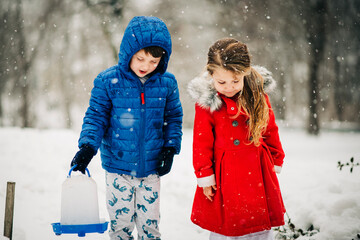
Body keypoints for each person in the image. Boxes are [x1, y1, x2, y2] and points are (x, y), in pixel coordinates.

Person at [70, 16, 183, 240]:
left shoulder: (167, 83)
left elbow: (173, 119)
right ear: (128, 52)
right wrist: (87, 148)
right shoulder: (108, 81)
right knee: (120, 226)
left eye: (154, 61)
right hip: (117, 169)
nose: (146, 66)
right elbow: (96, 117)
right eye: (141, 58)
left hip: (151, 169)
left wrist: (170, 149)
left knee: (150, 227)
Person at [187, 38, 285, 240]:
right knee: (226, 225)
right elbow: (201, 143)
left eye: (236, 81)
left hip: (258, 169)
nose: (229, 87)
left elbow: (269, 130)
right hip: (225, 175)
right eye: (221, 82)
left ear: (245, 74)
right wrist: (205, 176)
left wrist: (275, 159)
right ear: (211, 74)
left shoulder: (257, 95)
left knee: (258, 223)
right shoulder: (208, 103)